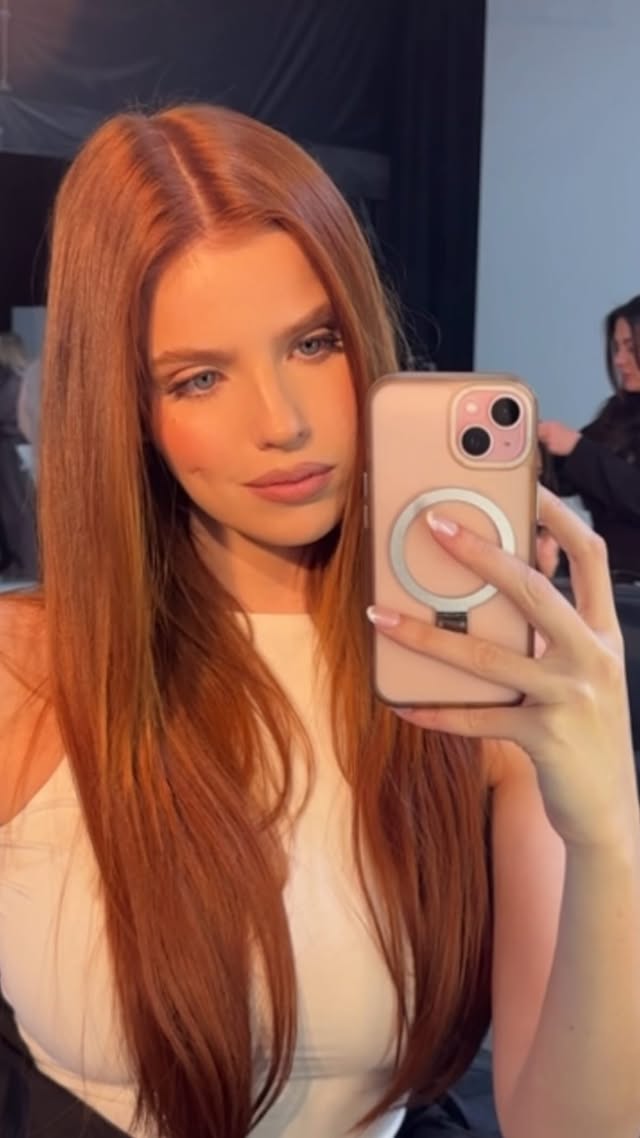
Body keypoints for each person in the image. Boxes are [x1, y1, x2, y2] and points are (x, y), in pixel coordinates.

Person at [1, 105, 639, 1138]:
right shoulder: (24, 672)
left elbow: (575, 1127)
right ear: (123, 407)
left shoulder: (475, 677)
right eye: (198, 377)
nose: (285, 421)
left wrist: (606, 819)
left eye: (314, 341)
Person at [539, 293, 640, 580]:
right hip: (606, 580)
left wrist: (576, 448)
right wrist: (538, 453)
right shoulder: (618, 412)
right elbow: (571, 474)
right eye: (617, 347)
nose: (619, 360)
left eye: (631, 348)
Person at [0, 332, 38, 580]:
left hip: (14, 454)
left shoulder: (13, 383)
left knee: (18, 511)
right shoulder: (21, 380)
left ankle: (27, 565)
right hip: (18, 452)